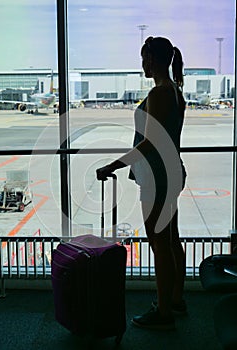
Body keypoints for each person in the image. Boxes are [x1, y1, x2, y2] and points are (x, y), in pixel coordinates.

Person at [96, 36, 187, 330]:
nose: (143, 64)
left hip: (157, 174)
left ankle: (163, 313)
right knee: (171, 239)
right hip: (169, 172)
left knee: (159, 243)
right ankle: (174, 299)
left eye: (145, 58)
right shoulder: (174, 90)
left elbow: (150, 144)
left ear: (157, 60)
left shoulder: (161, 93)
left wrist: (113, 164)